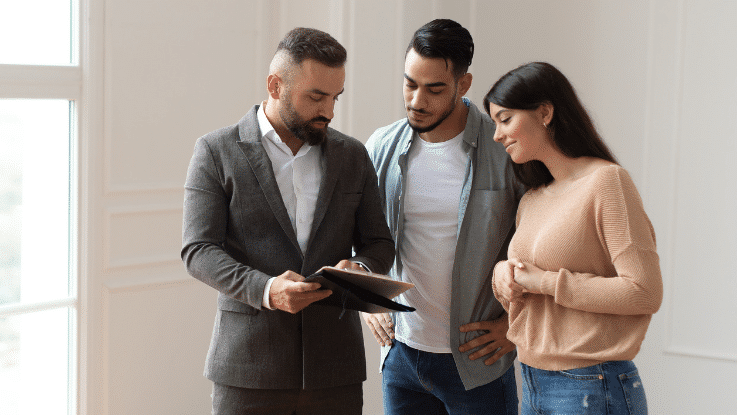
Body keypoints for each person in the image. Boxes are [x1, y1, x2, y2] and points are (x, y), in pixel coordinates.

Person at [181, 27, 395, 415]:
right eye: (316, 97)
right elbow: (198, 250)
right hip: (248, 369)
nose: (329, 111)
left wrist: (360, 268)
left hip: (335, 371)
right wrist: (266, 289)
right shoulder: (216, 151)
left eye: (335, 97)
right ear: (275, 85)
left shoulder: (353, 155)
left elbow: (379, 243)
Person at [364, 19, 525, 415]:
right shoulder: (380, 147)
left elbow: (539, 248)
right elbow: (363, 233)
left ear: (463, 84)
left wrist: (516, 327)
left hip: (477, 362)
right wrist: (369, 299)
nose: (417, 100)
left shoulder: (503, 152)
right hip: (401, 357)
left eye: (434, 88)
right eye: (410, 84)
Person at [485, 61, 663, 414]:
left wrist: (545, 282)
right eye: (494, 123)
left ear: (545, 112)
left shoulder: (607, 182)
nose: (497, 135)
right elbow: (530, 284)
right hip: (533, 380)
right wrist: (502, 275)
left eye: (505, 119)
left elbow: (644, 292)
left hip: (591, 384)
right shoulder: (532, 197)